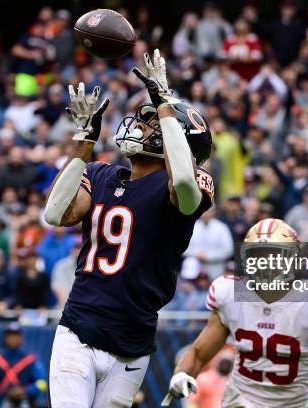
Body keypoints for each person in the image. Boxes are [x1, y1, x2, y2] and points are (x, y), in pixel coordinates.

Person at [46, 49, 214, 407]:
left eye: (151, 122)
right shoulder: (101, 174)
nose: (139, 125)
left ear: (175, 140)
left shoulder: (185, 185)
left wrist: (166, 104)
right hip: (79, 328)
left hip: (132, 347)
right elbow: (55, 213)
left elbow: (183, 180)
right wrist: (84, 143)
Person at [165, 218, 308, 407]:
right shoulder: (229, 293)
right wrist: (181, 374)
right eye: (258, 256)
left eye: (274, 256)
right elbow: (199, 353)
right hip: (240, 402)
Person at [0, 324, 47, 408]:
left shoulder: (30, 358)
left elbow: (42, 383)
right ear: (6, 338)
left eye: (16, 336)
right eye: (11, 336)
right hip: (4, 401)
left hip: (27, 400)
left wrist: (26, 390)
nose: (13, 339)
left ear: (22, 338)